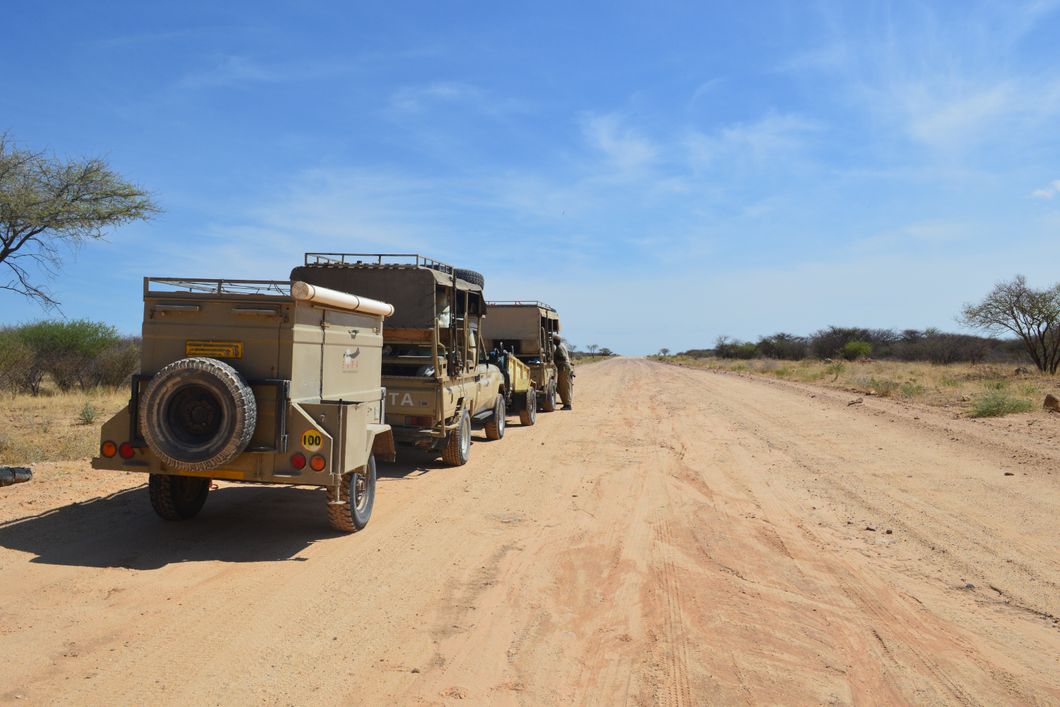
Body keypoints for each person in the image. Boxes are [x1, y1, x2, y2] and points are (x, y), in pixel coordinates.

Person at [553, 333, 574, 410]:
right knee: (562, 386)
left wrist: (554, 357)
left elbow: (563, 358)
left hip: (564, 367)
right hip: (565, 367)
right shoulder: (562, 345)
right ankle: (566, 402)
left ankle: (568, 405)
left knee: (564, 386)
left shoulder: (559, 347)